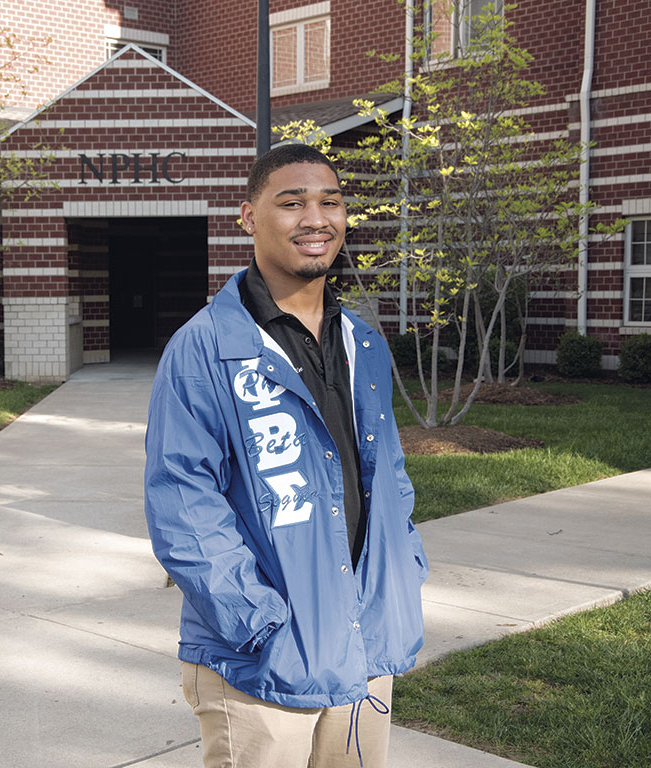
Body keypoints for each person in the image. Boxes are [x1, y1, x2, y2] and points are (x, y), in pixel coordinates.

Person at [143, 143, 428, 768]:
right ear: (248, 217)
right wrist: (259, 622)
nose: (315, 218)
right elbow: (184, 506)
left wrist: (402, 575)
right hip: (261, 661)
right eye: (291, 202)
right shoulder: (206, 348)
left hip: (364, 644)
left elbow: (390, 478)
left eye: (330, 202)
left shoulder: (363, 342)